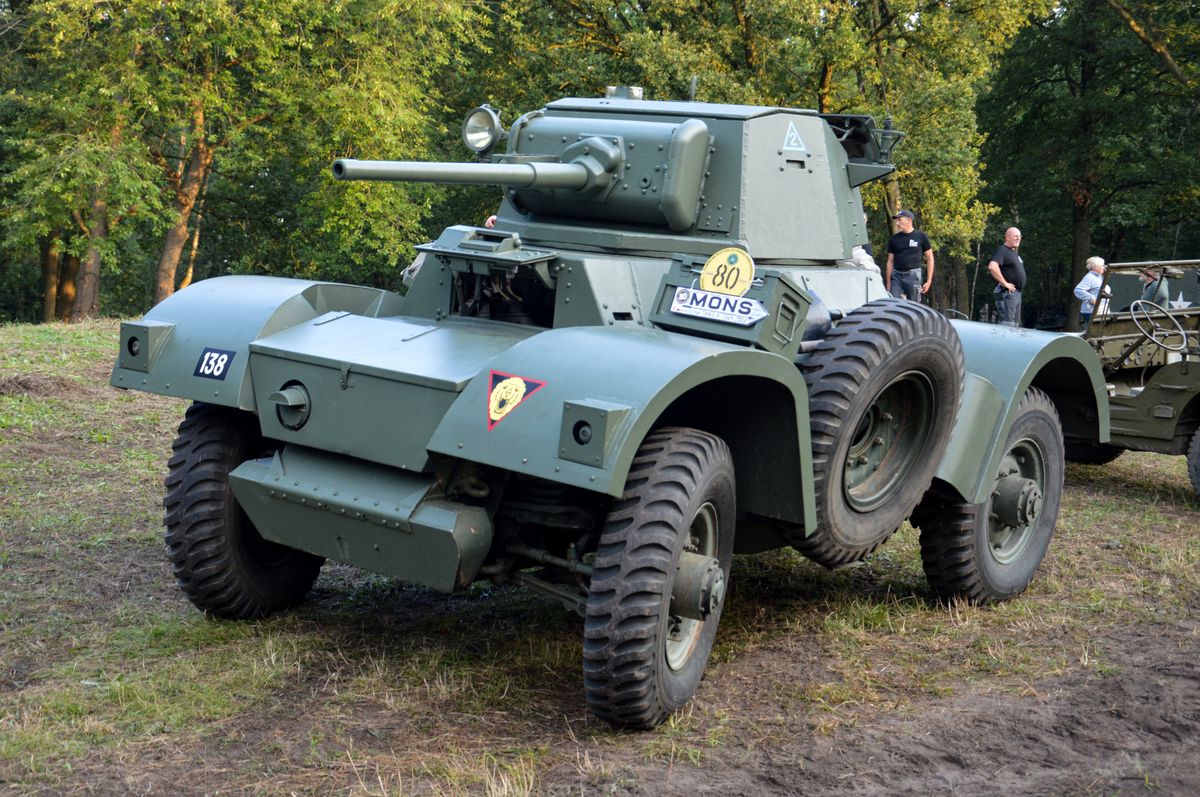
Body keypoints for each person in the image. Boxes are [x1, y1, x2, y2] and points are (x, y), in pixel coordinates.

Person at [885, 209, 934, 301]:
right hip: (896, 277)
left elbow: (930, 258)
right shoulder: (894, 239)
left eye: (900, 220)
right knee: (892, 302)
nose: (897, 223)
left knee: (914, 305)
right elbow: (890, 261)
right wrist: (888, 283)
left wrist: (929, 281)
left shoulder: (921, 236)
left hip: (913, 276)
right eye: (897, 221)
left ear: (909, 220)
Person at [987, 227, 1025, 326]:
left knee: (1014, 325)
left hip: (1016, 293)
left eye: (1019, 236)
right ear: (1007, 238)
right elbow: (992, 266)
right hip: (1007, 293)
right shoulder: (1002, 250)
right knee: (1007, 325)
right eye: (1015, 236)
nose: (1018, 238)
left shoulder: (1013, 252)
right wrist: (1004, 283)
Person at [1073, 256, 1110, 327]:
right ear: (1096, 267)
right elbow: (1078, 290)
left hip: (1102, 310)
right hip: (1092, 311)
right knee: (1096, 332)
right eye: (1102, 265)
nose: (1104, 267)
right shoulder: (1090, 277)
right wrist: (1092, 298)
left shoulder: (1099, 277)